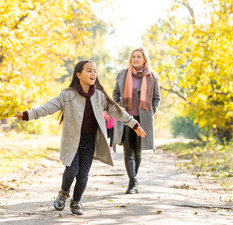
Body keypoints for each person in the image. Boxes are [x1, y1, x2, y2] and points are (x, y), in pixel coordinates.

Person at [16, 60, 146, 215]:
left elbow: (118, 112)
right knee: (72, 170)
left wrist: (135, 124)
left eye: (95, 71)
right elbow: (47, 107)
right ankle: (63, 194)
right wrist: (27, 115)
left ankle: (76, 202)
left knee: (83, 175)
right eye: (89, 71)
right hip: (72, 141)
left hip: (89, 141)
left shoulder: (99, 96)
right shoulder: (67, 95)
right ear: (79, 74)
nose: (93, 74)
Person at [112, 47, 161, 194]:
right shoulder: (123, 74)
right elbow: (116, 94)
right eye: (133, 56)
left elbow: (156, 98)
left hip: (142, 119)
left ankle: (133, 180)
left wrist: (151, 111)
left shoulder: (152, 76)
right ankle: (132, 182)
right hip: (126, 118)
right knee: (128, 152)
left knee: (138, 152)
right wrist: (118, 109)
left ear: (144, 59)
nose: (136, 59)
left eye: (139, 56)